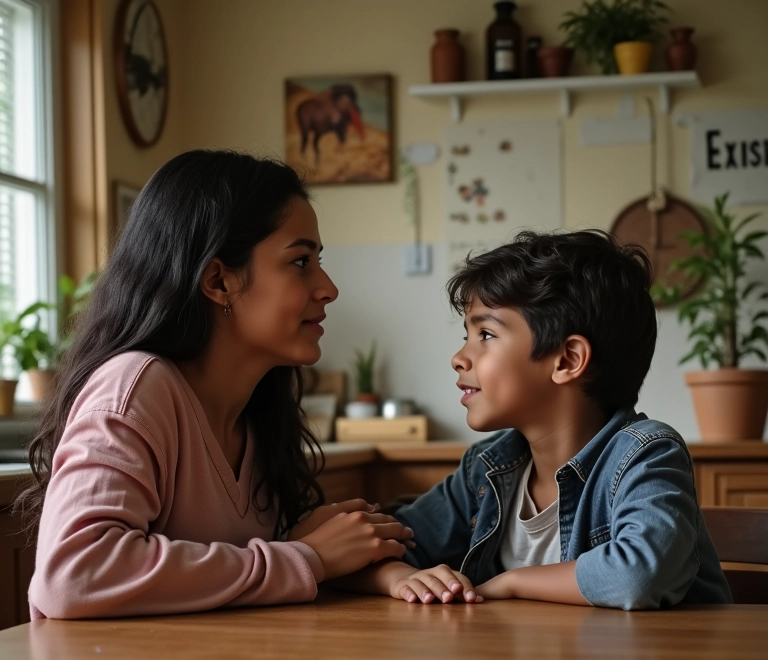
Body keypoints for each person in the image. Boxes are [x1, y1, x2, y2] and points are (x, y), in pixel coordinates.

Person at [18, 149, 413, 619]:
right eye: (301, 261)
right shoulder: (137, 385)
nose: (328, 287)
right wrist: (306, 557)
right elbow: (73, 575)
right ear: (218, 281)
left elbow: (224, 581)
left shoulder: (258, 410)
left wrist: (298, 540)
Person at [347, 230, 732, 610]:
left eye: (484, 334)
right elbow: (364, 552)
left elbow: (639, 574)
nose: (458, 358)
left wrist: (510, 583)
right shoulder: (484, 471)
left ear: (567, 360)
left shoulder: (646, 456)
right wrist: (398, 577)